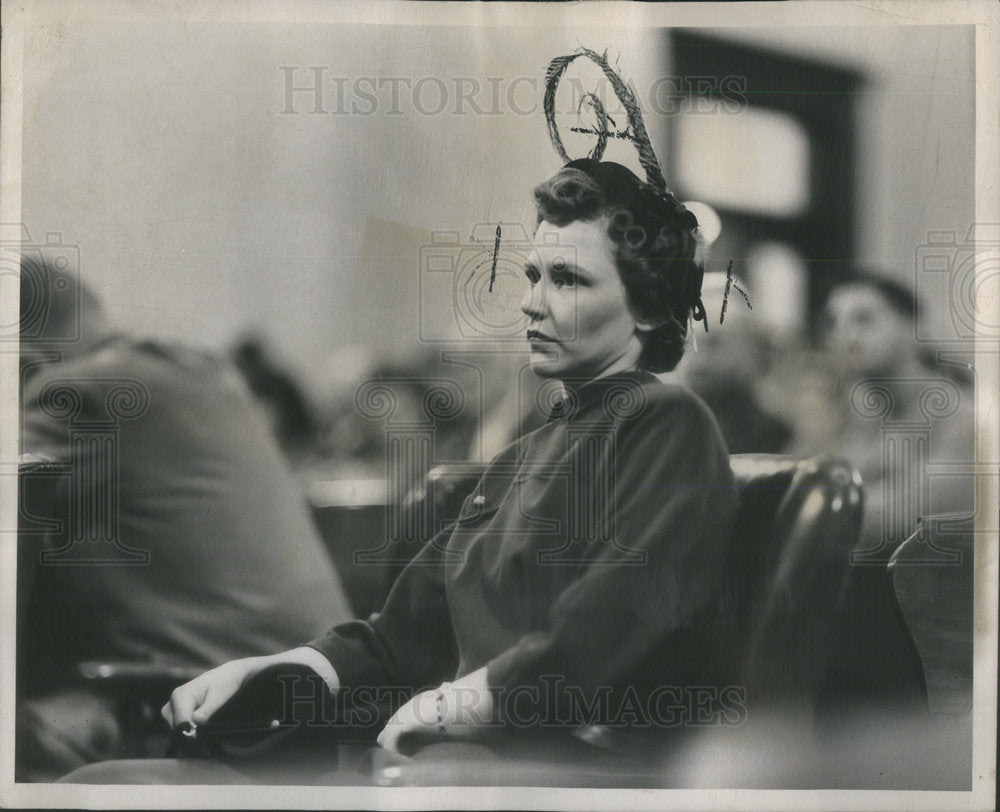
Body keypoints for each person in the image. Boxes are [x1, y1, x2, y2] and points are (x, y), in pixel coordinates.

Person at [62, 50, 739, 785]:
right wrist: (284, 666)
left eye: (569, 279)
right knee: (102, 784)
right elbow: (397, 638)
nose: (532, 301)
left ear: (647, 306)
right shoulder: (524, 454)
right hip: (440, 759)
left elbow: (610, 623)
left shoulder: (667, 422)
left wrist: (465, 704)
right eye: (533, 275)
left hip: (549, 773)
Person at [17, 256, 354, 780]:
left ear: (24, 362)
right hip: (306, 693)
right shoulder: (196, 370)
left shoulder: (75, 394)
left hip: (209, 709)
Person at [817, 270, 974, 711]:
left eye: (864, 317)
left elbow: (901, 519)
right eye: (833, 321)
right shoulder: (855, 415)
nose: (844, 333)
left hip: (931, 636)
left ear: (912, 327)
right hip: (861, 623)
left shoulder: (964, 419)